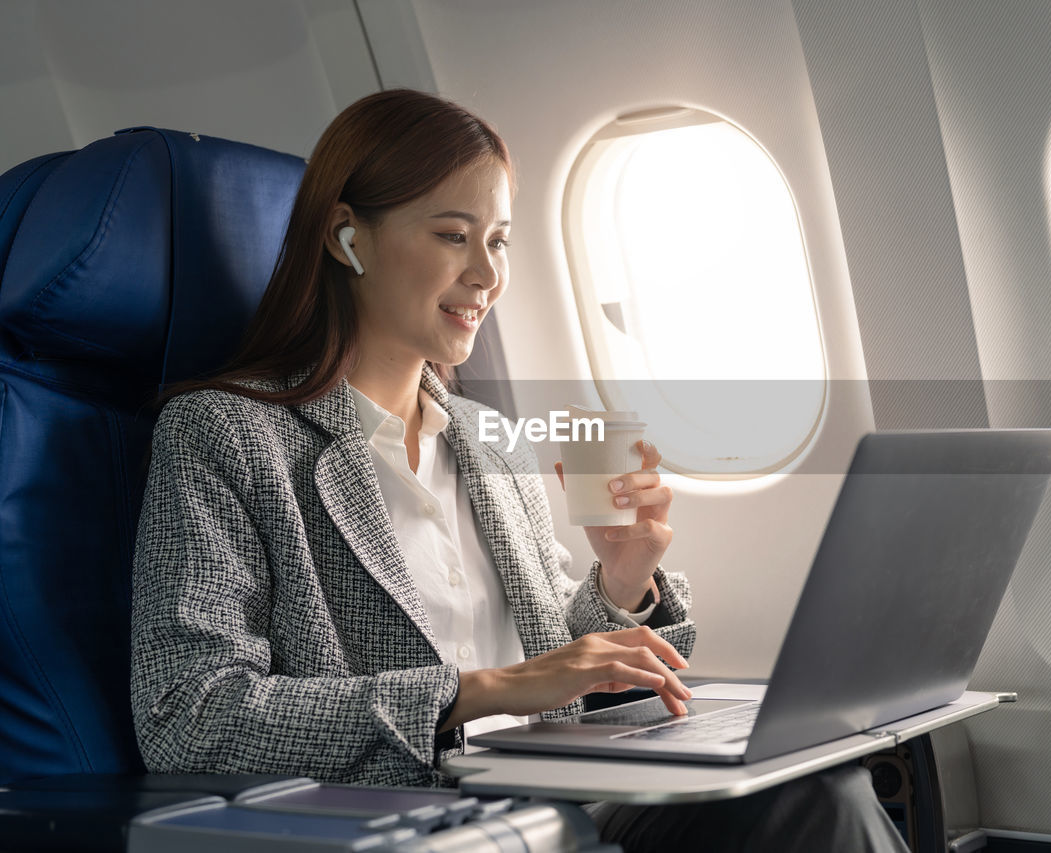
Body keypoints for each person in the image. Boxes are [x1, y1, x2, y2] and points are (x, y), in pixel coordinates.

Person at [130, 88, 908, 852]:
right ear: (347, 238)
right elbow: (190, 715)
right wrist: (483, 689)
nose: (486, 275)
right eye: (451, 235)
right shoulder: (225, 435)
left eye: (497, 240)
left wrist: (621, 585)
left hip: (567, 789)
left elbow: (556, 667)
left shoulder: (490, 438)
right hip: (421, 823)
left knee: (817, 786)